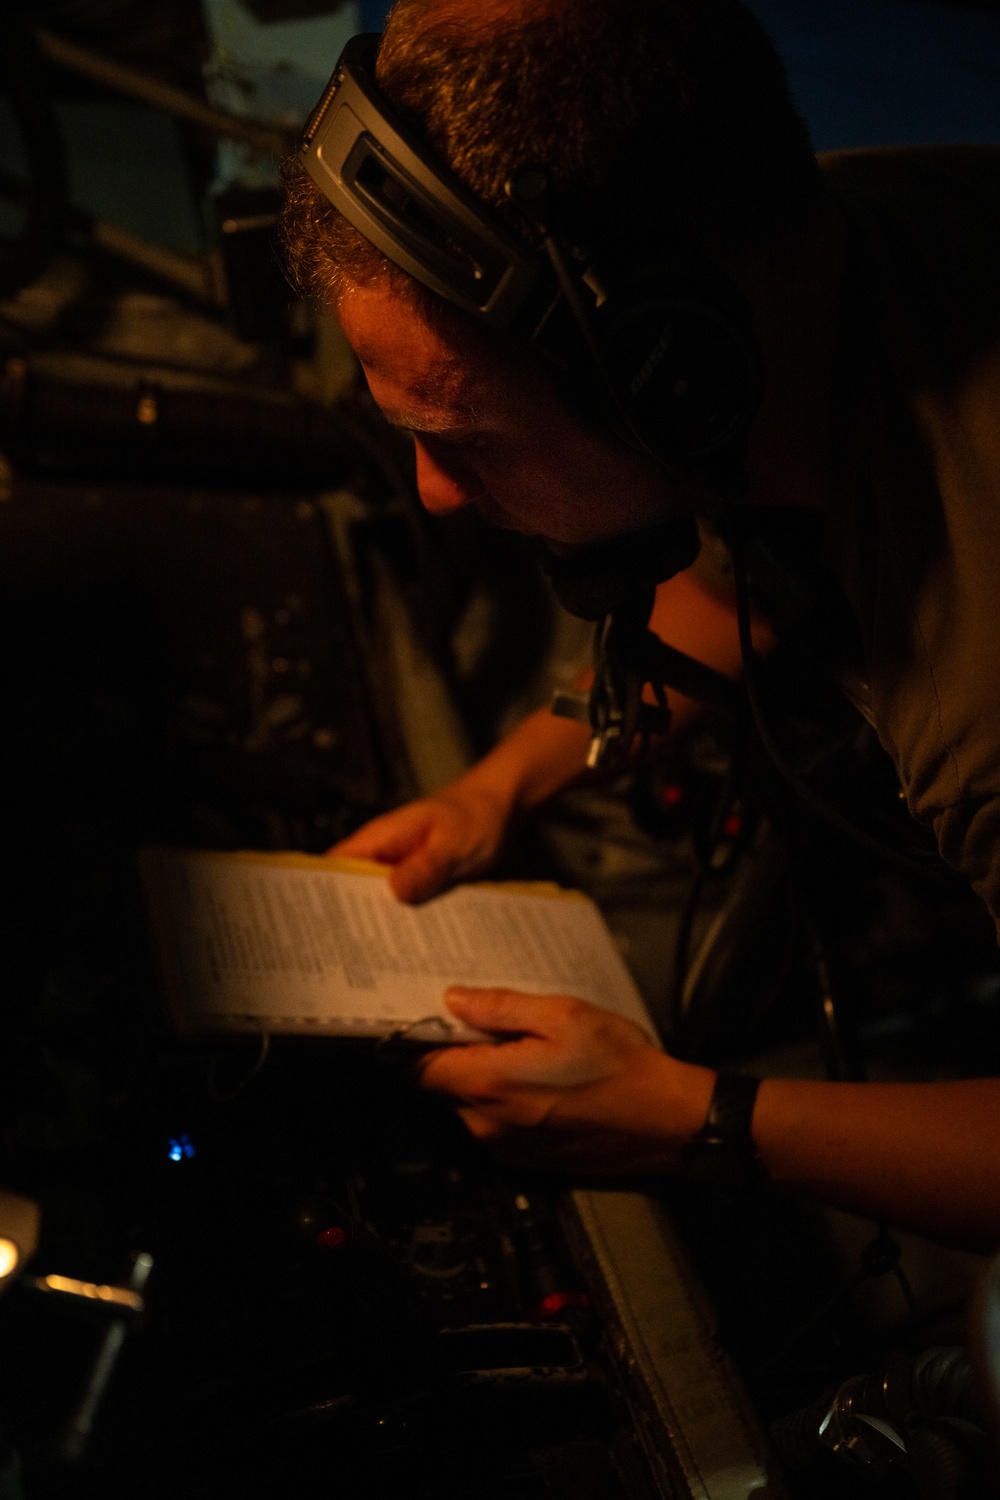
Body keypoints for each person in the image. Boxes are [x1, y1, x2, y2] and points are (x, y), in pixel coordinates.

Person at [281, 0, 1000, 1250]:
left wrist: (691, 1119)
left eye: (463, 440)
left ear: (670, 377)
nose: (435, 494)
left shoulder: (981, 697)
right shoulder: (806, 253)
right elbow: (745, 585)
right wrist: (497, 790)